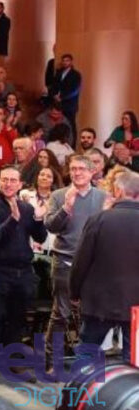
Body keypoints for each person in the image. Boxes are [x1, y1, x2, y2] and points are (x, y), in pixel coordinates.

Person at [43, 154, 108, 371]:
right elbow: (50, 226)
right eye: (73, 169)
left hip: (93, 265)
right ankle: (52, 362)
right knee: (61, 314)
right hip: (64, 261)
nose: (77, 173)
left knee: (90, 315)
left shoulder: (103, 197)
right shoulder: (59, 195)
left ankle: (85, 364)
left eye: (81, 169)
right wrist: (66, 208)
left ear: (92, 172)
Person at [69, 170, 139, 365]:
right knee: (134, 360)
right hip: (136, 305)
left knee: (86, 356)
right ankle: (131, 395)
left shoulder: (99, 220)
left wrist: (74, 293)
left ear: (118, 190)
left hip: (98, 300)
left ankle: (79, 395)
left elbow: (81, 261)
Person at [0, 166, 47, 355]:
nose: (8, 184)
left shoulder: (26, 207)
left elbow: (40, 238)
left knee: (18, 318)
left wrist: (39, 220)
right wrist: (13, 219)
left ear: (20, 184)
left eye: (13, 180)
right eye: (4, 180)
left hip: (23, 272)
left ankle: (11, 359)